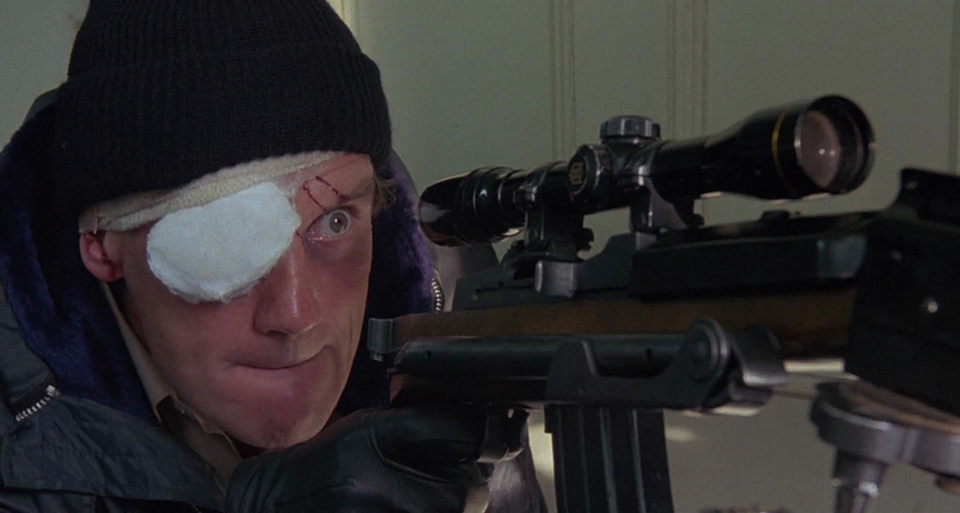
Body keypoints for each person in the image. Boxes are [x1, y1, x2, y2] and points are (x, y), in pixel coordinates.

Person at [0, 1, 544, 511]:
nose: (296, 315)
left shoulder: (453, 317)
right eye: (223, 238)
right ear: (100, 244)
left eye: (334, 222)